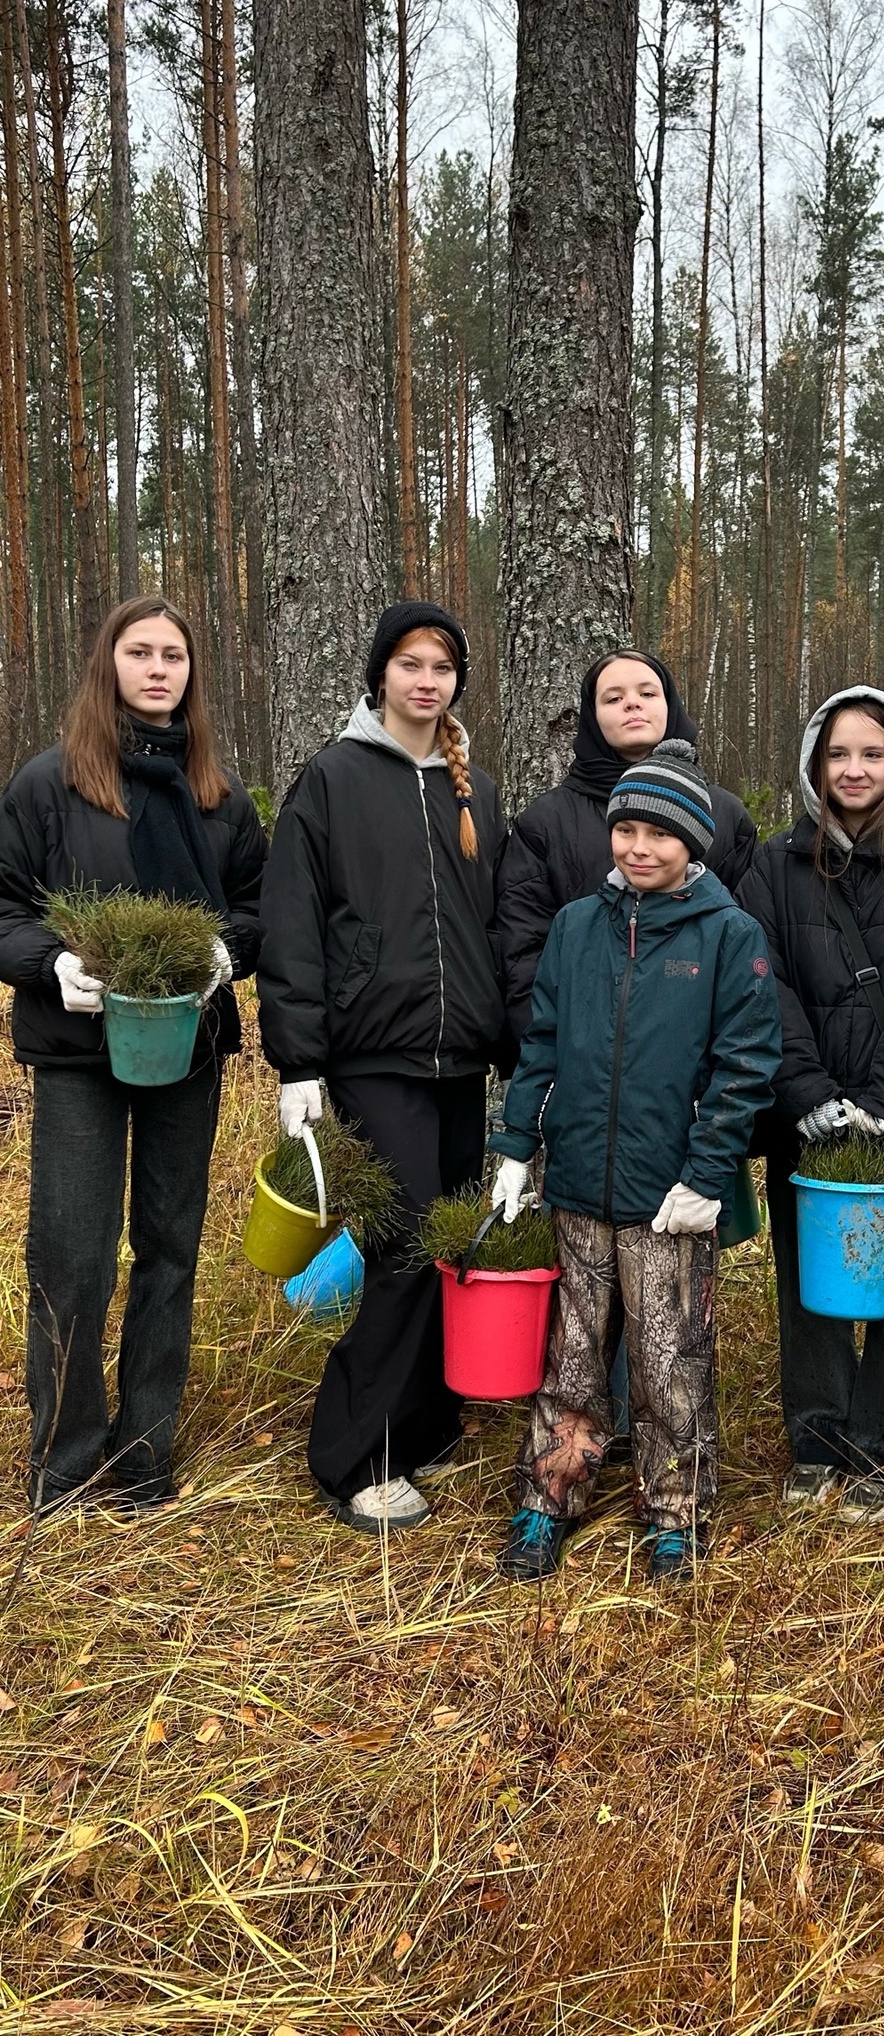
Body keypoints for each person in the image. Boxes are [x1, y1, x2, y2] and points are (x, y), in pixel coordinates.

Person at [487, 739, 781, 1584]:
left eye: (660, 833)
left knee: (669, 1364)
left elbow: (746, 1066)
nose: (640, 847)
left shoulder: (730, 937)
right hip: (578, 1188)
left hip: (668, 1199)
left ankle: (673, 1515)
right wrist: (514, 1147)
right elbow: (540, 1045)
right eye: (627, 830)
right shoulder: (578, 927)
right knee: (572, 1357)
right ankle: (549, 1499)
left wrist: (708, 1174)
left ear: (693, 842)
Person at [0, 596, 267, 1511]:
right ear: (107, 663)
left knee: (169, 1247)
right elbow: (3, 909)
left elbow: (257, 905)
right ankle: (66, 1461)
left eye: (175, 656)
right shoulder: (49, 785)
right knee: (72, 1255)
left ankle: (145, 1448)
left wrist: (231, 951)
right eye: (140, 651)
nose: (159, 669)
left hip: (185, 1053)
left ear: (192, 675)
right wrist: (53, 962)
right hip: (76, 1053)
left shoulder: (218, 797)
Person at [256, 602, 506, 1534]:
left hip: (460, 1063)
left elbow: (495, 929)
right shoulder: (331, 779)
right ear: (380, 676)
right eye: (410, 663)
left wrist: (511, 1045)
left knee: (449, 1243)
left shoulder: (468, 789)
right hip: (375, 1058)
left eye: (442, 666)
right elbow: (292, 925)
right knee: (399, 1249)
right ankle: (352, 1455)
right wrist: (299, 1060)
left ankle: (424, 1421)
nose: (426, 680)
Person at [739, 688, 884, 1522]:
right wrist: (806, 1095)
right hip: (805, 1121)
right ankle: (818, 1440)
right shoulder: (773, 864)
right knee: (808, 1285)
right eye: (839, 754)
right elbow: (762, 983)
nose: (855, 770)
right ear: (814, 763)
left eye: (872, 754)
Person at [496, 651, 757, 1044]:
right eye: (613, 698)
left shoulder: (725, 816)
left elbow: (747, 950)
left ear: (670, 707)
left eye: (647, 693)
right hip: (580, 1052)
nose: (631, 703)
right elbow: (523, 953)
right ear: (592, 716)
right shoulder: (545, 823)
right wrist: (553, 1054)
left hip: (694, 1055)